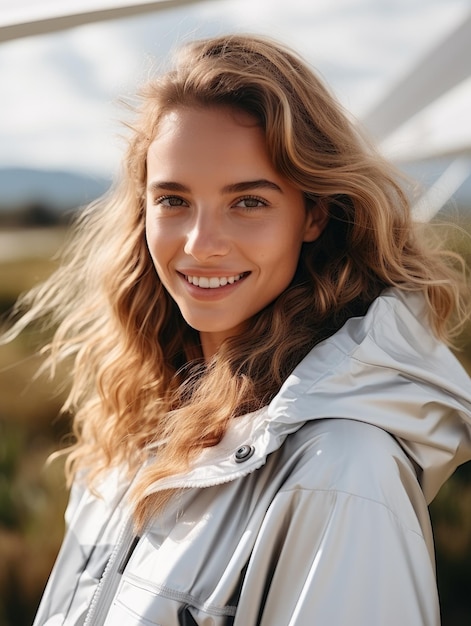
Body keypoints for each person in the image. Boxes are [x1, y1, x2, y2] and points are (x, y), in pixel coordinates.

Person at [6, 33, 471, 625]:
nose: (200, 245)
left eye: (248, 202)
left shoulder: (342, 473)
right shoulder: (136, 431)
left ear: (314, 213)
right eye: (173, 200)